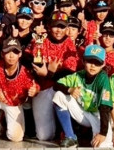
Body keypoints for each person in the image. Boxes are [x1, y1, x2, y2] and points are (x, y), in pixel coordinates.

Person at [53, 44, 114, 148]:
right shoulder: (79, 75)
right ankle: (70, 136)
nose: (93, 66)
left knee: (102, 145)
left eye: (97, 62)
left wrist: (103, 133)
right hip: (83, 113)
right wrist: (69, 89)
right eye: (89, 61)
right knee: (59, 95)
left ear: (103, 64)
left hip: (98, 115)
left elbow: (105, 107)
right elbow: (56, 85)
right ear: (83, 61)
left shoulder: (103, 78)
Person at [0, 37, 39, 144]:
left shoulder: (25, 72)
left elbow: (35, 86)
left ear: (20, 54)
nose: (11, 56)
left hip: (13, 104)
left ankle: (2, 119)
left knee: (16, 138)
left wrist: (35, 90)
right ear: (2, 54)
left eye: (15, 52)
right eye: (8, 52)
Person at [27, 12, 78, 142]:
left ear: (67, 28)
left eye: (62, 26)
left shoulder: (69, 43)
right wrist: (46, 72)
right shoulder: (40, 39)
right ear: (49, 26)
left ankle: (65, 131)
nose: (58, 30)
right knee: (44, 136)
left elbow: (69, 72)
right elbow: (31, 62)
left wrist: (49, 73)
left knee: (65, 93)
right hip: (42, 87)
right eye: (56, 26)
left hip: (59, 87)